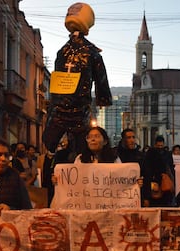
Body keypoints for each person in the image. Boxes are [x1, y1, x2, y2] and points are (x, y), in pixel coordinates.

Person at [42, 2, 112, 157]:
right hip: (77, 109)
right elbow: (101, 78)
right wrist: (103, 99)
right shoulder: (92, 53)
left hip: (61, 108)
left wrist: (54, 102)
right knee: (81, 150)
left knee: (52, 143)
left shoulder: (62, 51)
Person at [142, 135, 175, 207]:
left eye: (161, 146)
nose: (160, 147)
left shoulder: (165, 154)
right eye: (158, 146)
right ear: (155, 145)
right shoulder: (152, 154)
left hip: (162, 184)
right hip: (156, 183)